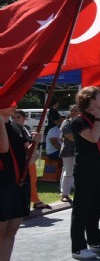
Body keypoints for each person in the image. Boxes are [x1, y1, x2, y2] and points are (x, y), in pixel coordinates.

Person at [70, 86, 100, 259]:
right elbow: (92, 138)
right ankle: (78, 247)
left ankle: (95, 240)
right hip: (86, 170)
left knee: (97, 207)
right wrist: (98, 120)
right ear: (91, 101)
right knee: (81, 209)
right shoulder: (78, 121)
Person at [1, 104, 39, 260]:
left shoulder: (18, 128)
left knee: (12, 230)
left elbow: (29, 155)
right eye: (8, 102)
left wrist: (35, 142)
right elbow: (3, 148)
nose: (14, 105)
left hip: (19, 184)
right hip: (2, 185)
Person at [60, 105, 80, 203]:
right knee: (68, 172)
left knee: (80, 173)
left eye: (76, 110)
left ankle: (79, 192)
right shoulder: (66, 122)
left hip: (80, 151)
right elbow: (69, 136)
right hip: (69, 151)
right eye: (72, 110)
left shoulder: (82, 122)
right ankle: (65, 194)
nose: (73, 112)